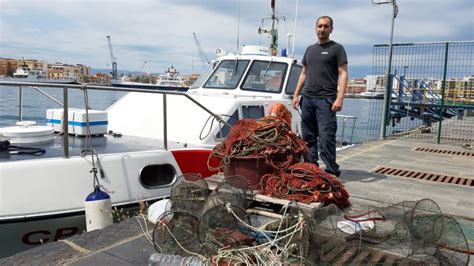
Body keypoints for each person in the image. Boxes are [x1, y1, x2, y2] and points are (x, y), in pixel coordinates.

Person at [292, 15, 348, 177]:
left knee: (326, 137)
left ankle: (331, 170)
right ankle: (311, 166)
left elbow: (343, 74)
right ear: (315, 28)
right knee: (308, 136)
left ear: (331, 29)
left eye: (326, 26)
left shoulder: (337, 49)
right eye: (319, 26)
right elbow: (303, 74)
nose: (322, 29)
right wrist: (296, 95)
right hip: (307, 99)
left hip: (326, 100)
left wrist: (340, 97)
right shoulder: (310, 50)